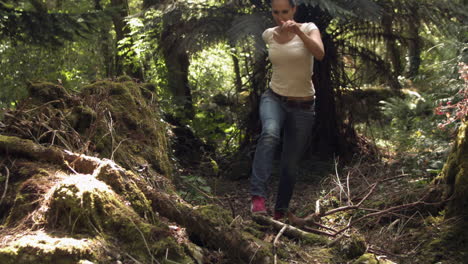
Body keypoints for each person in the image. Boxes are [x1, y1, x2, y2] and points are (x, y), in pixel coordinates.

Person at [250, 0, 325, 220]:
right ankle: (258, 199)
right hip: (274, 98)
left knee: (290, 162)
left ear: (294, 10)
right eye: (276, 12)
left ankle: (280, 211)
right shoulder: (268, 35)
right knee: (270, 134)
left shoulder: (310, 28)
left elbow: (319, 53)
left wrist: (298, 33)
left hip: (303, 106)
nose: (281, 17)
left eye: (285, 11)